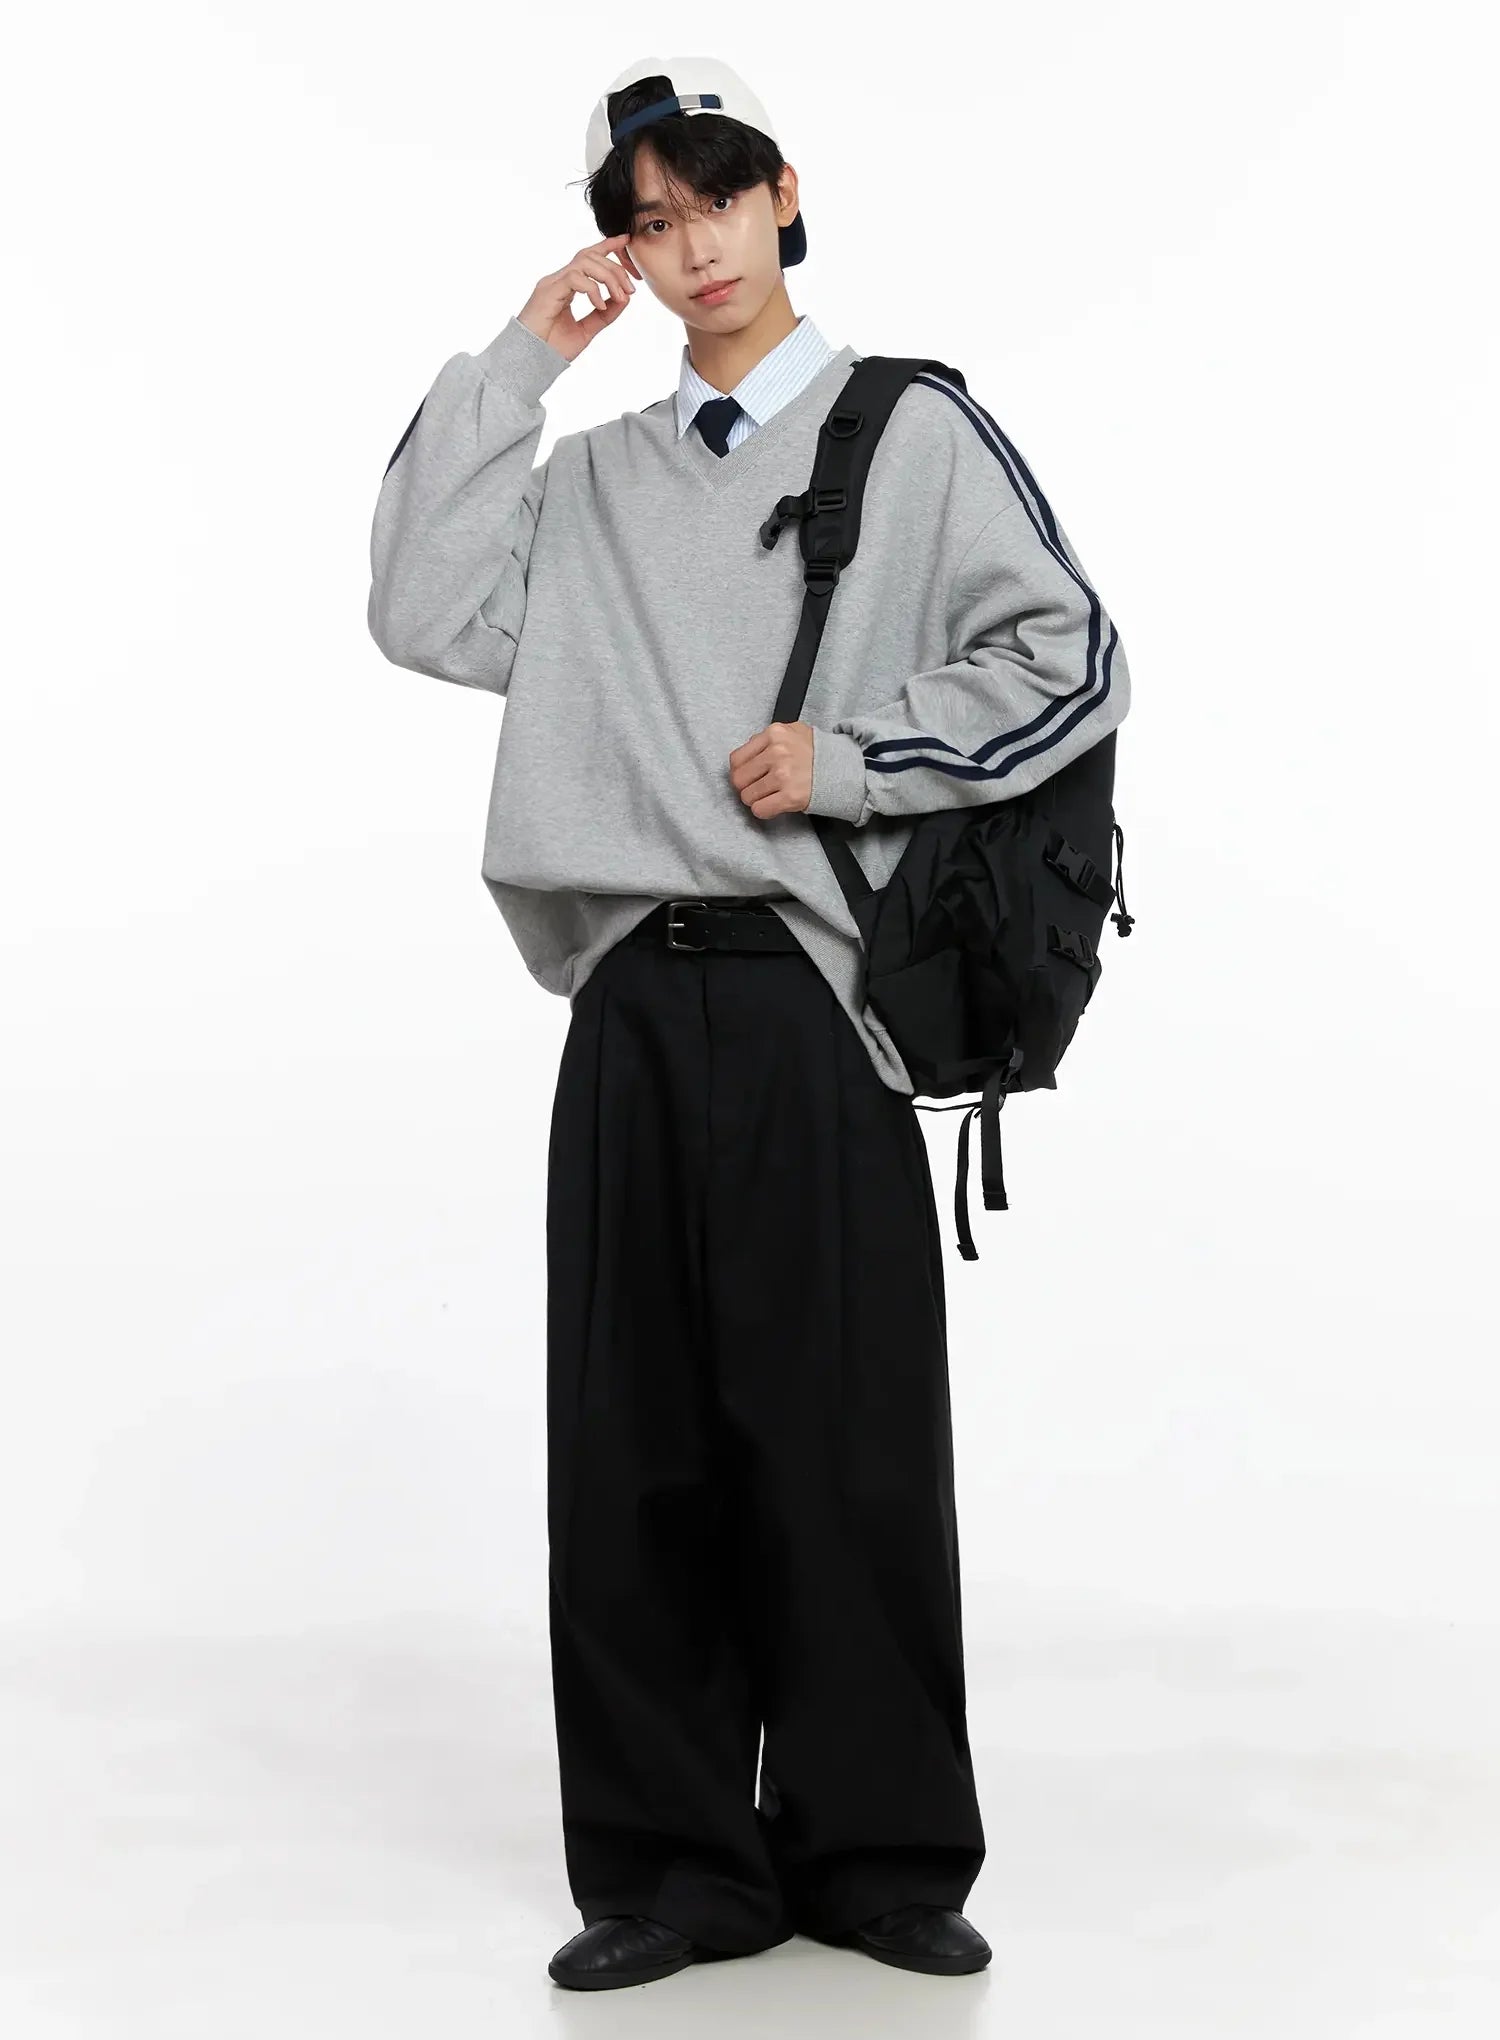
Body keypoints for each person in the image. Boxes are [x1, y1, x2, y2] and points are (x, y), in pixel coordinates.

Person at [367, 56, 1131, 1992]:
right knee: (632, 1449)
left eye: (714, 197)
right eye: (648, 221)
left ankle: (879, 1855)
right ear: (621, 251)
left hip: (817, 1000)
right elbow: (419, 609)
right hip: (629, 993)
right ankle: (672, 1872)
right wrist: (523, 363)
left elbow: (1072, 655)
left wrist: (855, 760)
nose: (691, 246)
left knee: (846, 1439)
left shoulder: (910, 434)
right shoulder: (596, 479)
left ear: (783, 192)